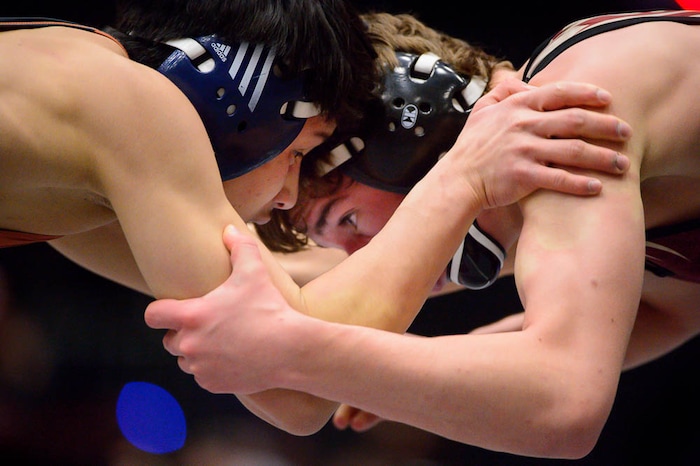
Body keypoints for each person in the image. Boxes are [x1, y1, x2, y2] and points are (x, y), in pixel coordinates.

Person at [145, 8, 700, 459]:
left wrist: (290, 349)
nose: (369, 258)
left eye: (346, 221)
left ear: (416, 124)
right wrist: (419, 371)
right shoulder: (567, 175)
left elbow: (565, 405)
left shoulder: (559, 115)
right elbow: (669, 310)